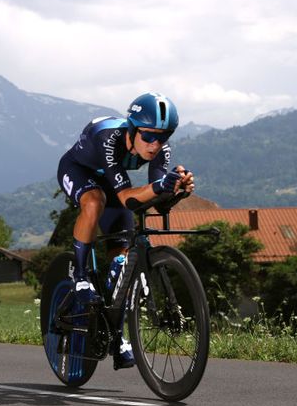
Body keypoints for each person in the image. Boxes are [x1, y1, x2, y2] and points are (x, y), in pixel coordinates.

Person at [56, 91, 195, 369]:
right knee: (94, 202)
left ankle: (116, 336)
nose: (155, 145)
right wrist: (158, 187)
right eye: (148, 136)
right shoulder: (109, 139)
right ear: (132, 129)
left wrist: (175, 191)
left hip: (113, 182)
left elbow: (151, 197)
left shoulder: (160, 151)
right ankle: (81, 277)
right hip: (78, 170)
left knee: (122, 263)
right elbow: (127, 198)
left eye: (163, 137)